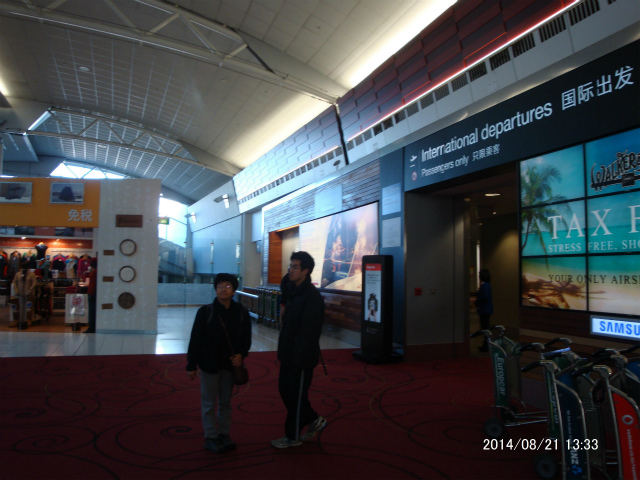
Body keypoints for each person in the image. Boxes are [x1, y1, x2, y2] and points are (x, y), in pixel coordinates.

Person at [186, 273, 252, 454]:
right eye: (220, 285)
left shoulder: (241, 312)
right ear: (215, 289)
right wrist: (191, 365)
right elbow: (195, 339)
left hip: (230, 365)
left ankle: (223, 433)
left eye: (228, 286)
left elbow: (246, 338)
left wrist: (241, 354)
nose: (223, 289)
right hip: (209, 364)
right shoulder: (206, 312)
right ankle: (210, 436)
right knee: (208, 403)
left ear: (234, 290)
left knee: (225, 402)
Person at [271, 251, 327, 449]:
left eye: (295, 267)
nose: (290, 270)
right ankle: (314, 419)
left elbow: (309, 332)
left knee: (296, 395)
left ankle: (292, 435)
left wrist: (298, 358)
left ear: (306, 271)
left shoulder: (311, 297)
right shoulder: (293, 290)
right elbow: (284, 284)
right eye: (290, 266)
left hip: (301, 357)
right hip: (288, 352)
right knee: (285, 391)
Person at [11, 260, 37, 328]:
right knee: (18, 307)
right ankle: (17, 320)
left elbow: (34, 284)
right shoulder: (18, 274)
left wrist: (30, 290)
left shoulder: (32, 275)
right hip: (19, 293)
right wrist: (16, 290)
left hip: (28, 293)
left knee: (29, 308)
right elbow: (14, 282)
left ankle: (28, 320)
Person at [475, 268, 493, 352]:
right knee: (485, 327)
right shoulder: (487, 285)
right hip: (486, 309)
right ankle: (486, 344)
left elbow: (484, 297)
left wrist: (477, 301)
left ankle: (486, 345)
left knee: (485, 328)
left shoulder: (484, 285)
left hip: (484, 310)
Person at [84, 257, 98, 333]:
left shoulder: (94, 272)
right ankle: (93, 327)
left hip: (92, 293)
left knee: (91, 312)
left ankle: (91, 327)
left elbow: (93, 284)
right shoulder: (97, 271)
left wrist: (91, 293)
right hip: (94, 293)